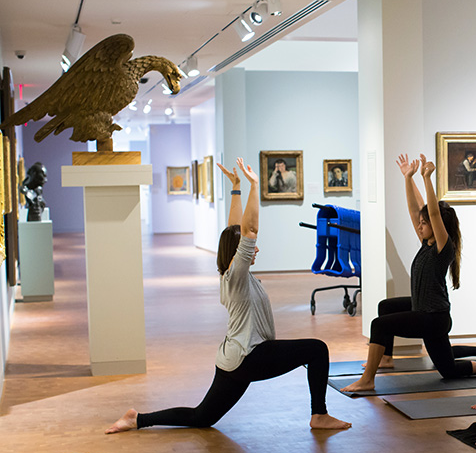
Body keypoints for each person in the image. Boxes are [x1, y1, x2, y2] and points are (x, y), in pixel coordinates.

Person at [106, 157, 351, 434]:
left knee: (203, 417)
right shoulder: (236, 276)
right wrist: (255, 185)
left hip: (232, 357)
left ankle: (137, 418)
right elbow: (249, 230)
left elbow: (233, 229)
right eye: (250, 248)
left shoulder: (230, 274)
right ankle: (319, 414)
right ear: (239, 253)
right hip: (249, 355)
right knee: (316, 349)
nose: (256, 249)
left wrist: (236, 188)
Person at [341, 154, 476, 392]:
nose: (419, 225)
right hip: (424, 310)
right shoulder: (426, 243)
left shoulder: (442, 247)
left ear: (438, 227)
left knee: (379, 325)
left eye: (424, 223)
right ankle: (386, 357)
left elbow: (434, 214)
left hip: (433, 317)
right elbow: (415, 209)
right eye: (421, 222)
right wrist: (408, 178)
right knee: (447, 369)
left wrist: (428, 178)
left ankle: (368, 380)